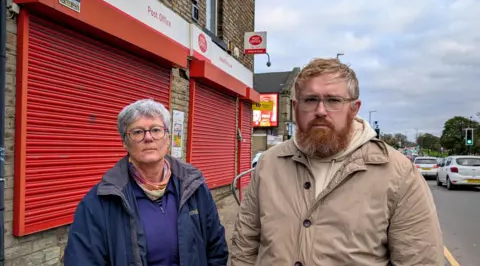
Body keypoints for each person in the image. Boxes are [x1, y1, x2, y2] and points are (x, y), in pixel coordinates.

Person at [230, 58, 444, 265]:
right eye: (310, 100)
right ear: (296, 107)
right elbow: (245, 246)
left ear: (354, 108)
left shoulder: (398, 173)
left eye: (333, 100)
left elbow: (420, 259)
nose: (320, 111)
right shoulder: (269, 164)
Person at [64, 99, 228, 266]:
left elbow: (216, 249)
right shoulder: (99, 202)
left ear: (168, 139)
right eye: (137, 132)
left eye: (156, 130)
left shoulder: (194, 188)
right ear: (124, 143)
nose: (148, 137)